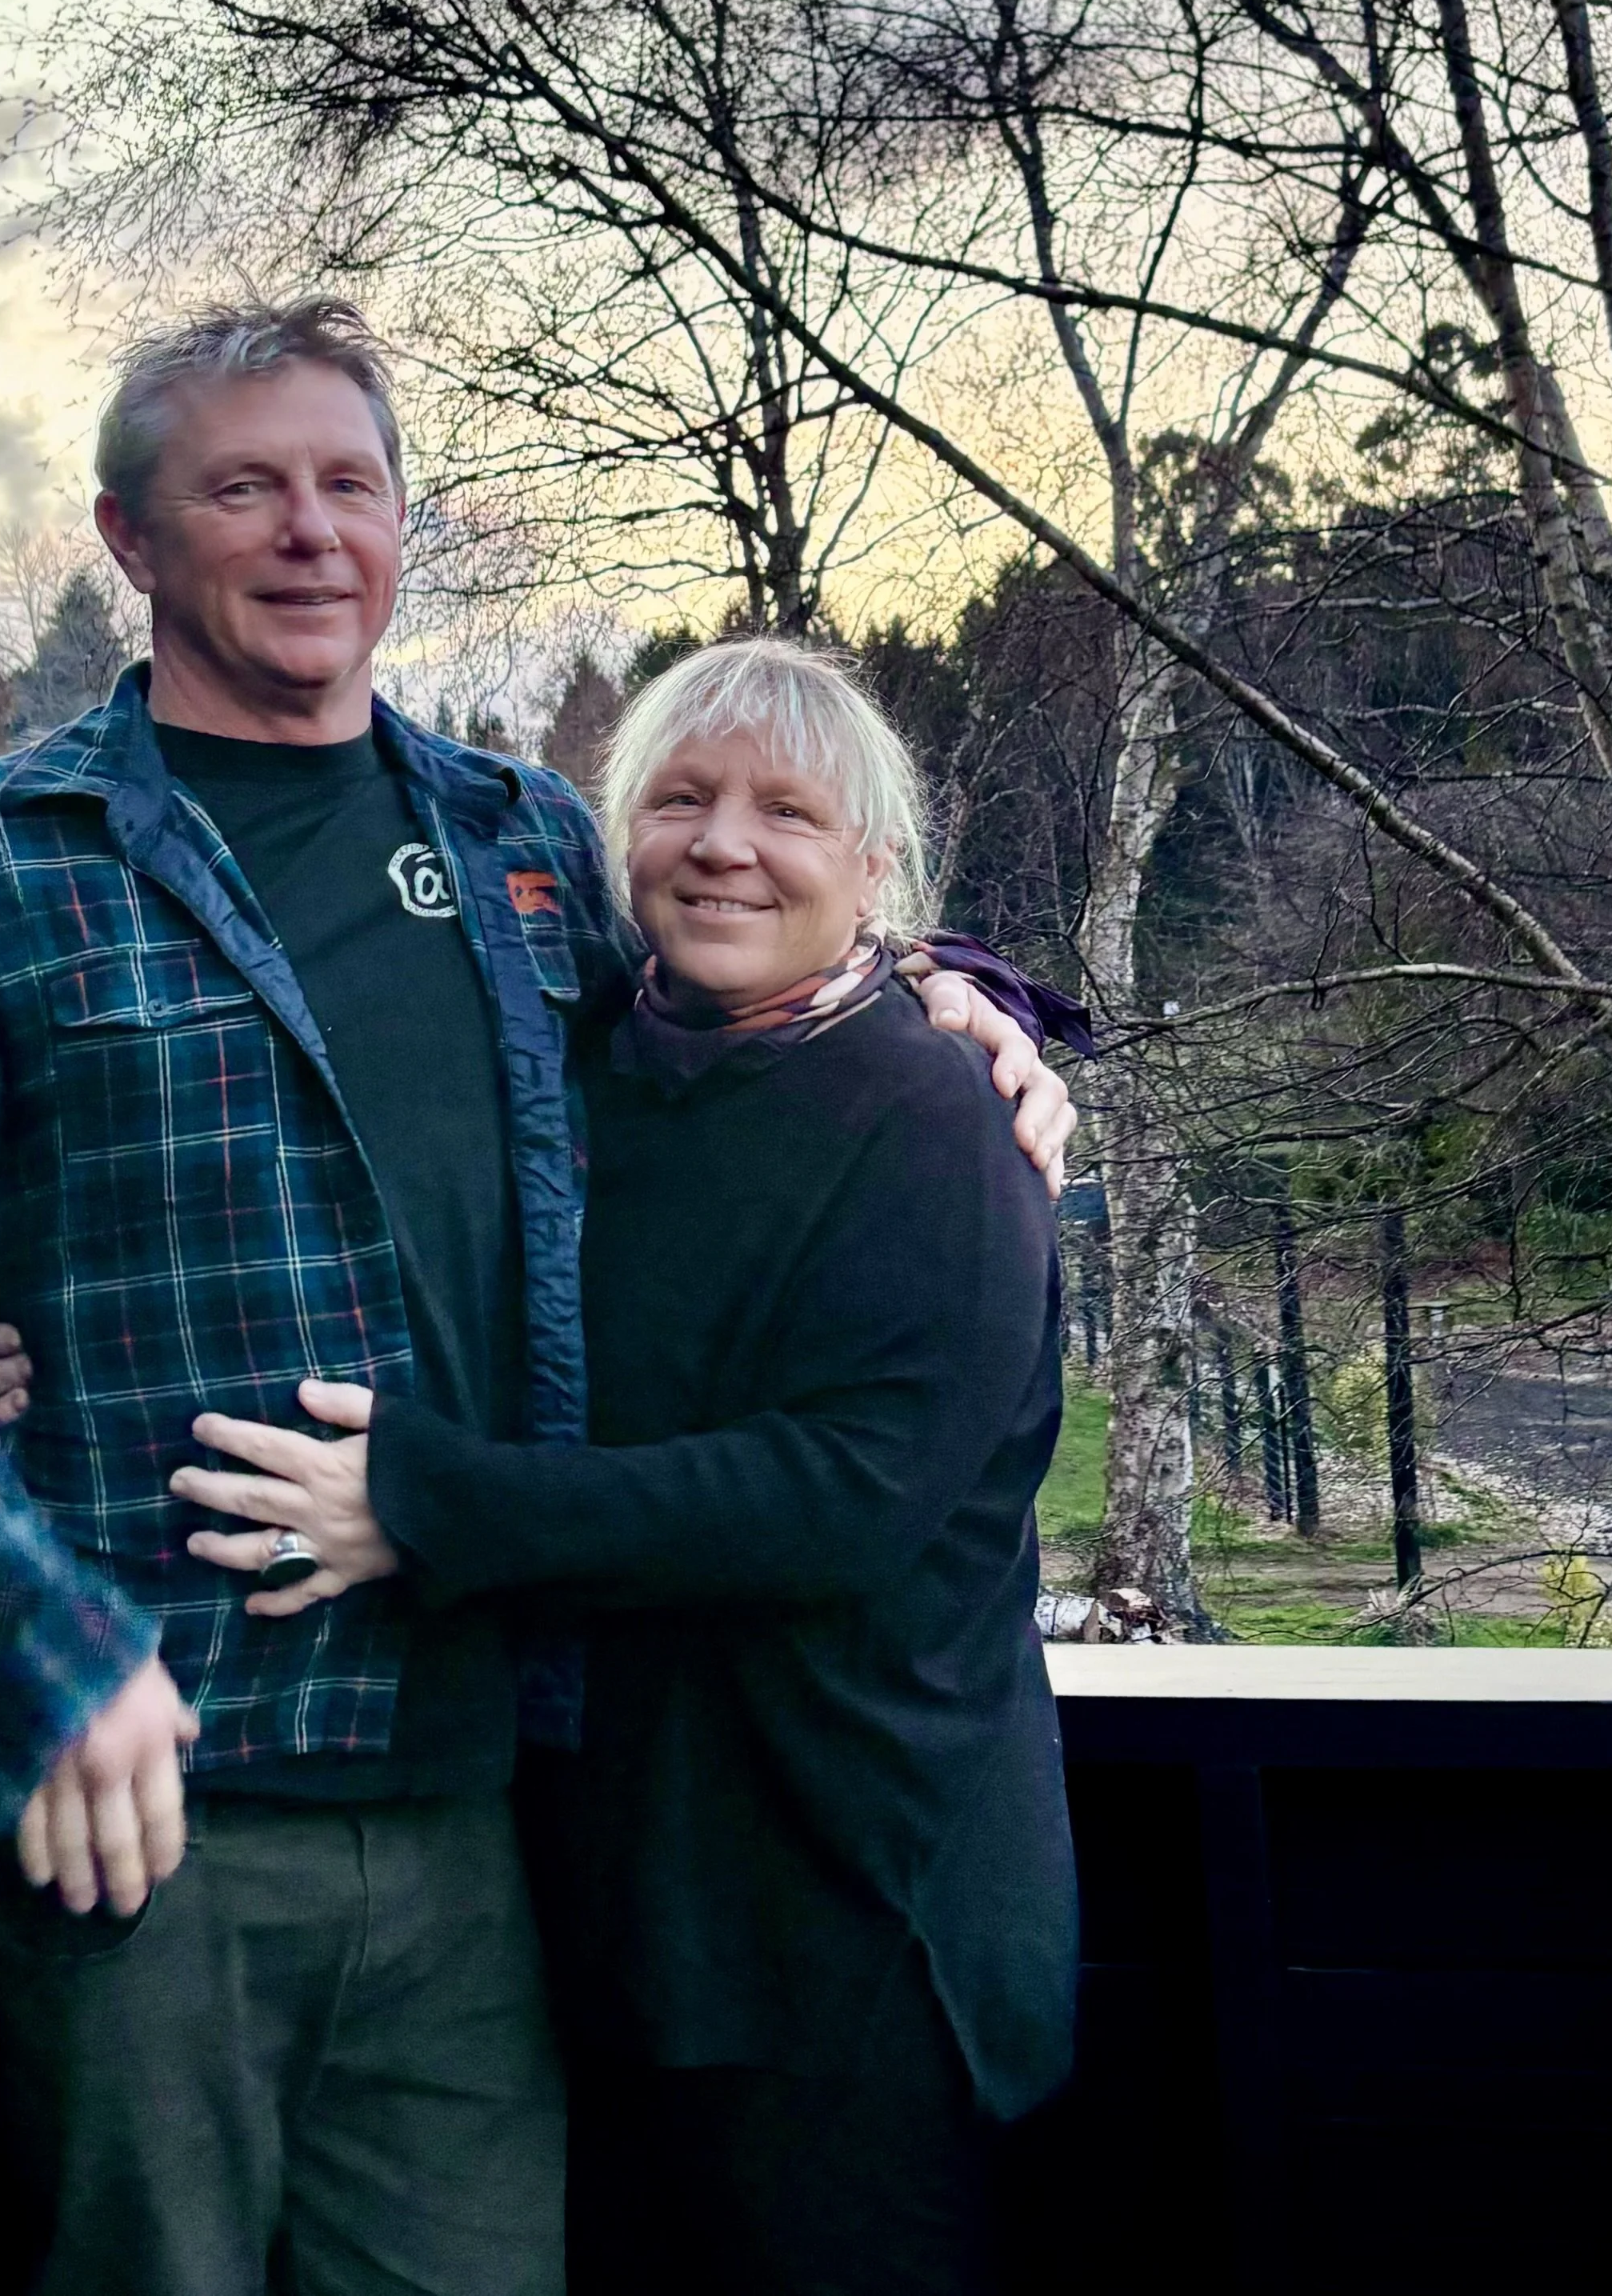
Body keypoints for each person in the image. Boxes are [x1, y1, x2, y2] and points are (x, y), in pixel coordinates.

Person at [0, 297, 1075, 2296]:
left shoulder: (520, 844)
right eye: (244, 487)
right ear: (129, 536)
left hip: (493, 1812)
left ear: (399, 525)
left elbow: (751, 977)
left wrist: (957, 995)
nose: (308, 532)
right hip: (157, 1806)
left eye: (348, 485)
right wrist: (35, 1630)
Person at [166, 638, 1079, 2296]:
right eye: (680, 798)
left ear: (872, 864)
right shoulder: (583, 1071)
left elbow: (837, 1499)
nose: (724, 843)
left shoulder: (934, 1117)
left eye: (788, 811)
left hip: (851, 1922)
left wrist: (424, 1501)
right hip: (610, 1908)